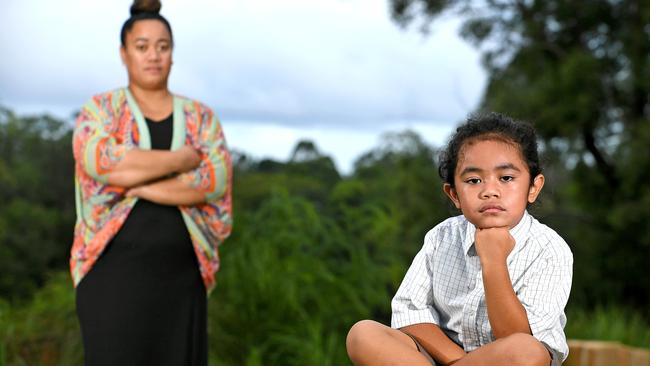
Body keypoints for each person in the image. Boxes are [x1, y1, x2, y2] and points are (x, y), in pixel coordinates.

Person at [70, 0, 232, 364]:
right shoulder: (100, 111)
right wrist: (180, 161)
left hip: (182, 281)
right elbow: (102, 164)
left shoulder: (201, 118)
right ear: (124, 53)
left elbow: (212, 182)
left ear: (173, 54)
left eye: (163, 46)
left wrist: (136, 183)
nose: (153, 56)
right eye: (142, 47)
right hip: (110, 280)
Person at [346, 113, 573, 366]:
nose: (489, 191)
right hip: (441, 358)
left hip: (505, 361)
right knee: (363, 333)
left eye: (506, 178)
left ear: (533, 187)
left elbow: (517, 338)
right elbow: (410, 312)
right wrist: (457, 360)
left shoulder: (550, 249)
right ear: (454, 194)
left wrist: (494, 261)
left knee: (528, 352)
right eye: (474, 180)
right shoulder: (441, 237)